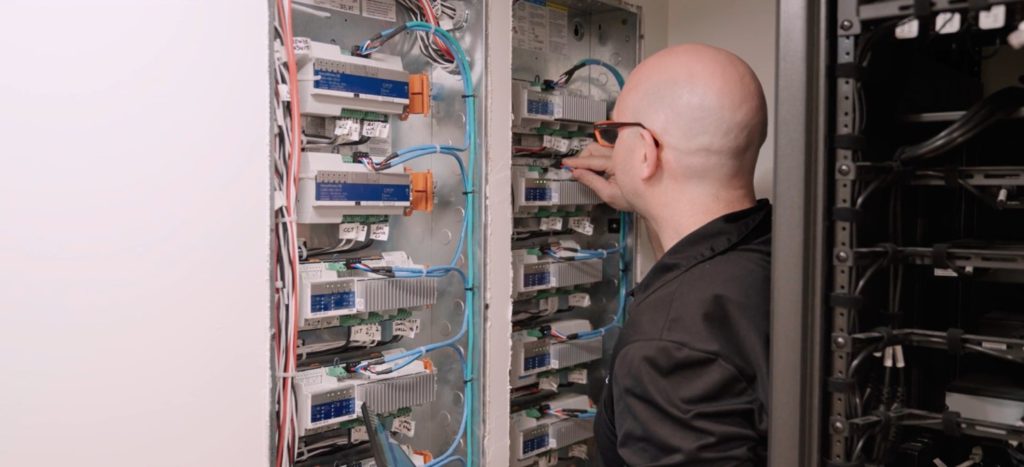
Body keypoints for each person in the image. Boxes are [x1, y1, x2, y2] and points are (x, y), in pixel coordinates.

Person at [562, 43, 771, 466]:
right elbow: (693, 265)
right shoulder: (774, 255)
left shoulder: (667, 347)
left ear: (646, 151)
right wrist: (645, 191)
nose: (607, 146)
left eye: (614, 133)